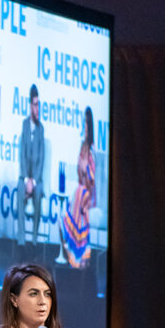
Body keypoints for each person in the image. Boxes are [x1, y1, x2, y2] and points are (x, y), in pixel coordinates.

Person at [61, 107, 96, 268]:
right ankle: (77, 256)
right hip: (82, 190)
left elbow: (91, 180)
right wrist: (80, 167)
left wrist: (85, 169)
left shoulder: (92, 150)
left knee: (80, 193)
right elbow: (79, 172)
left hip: (89, 192)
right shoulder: (82, 147)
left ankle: (77, 253)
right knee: (77, 192)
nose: (85, 128)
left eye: (87, 125)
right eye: (84, 124)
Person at [18, 84, 45, 245]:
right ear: (30, 106)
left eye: (38, 105)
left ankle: (34, 241)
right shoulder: (24, 125)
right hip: (25, 176)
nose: (37, 109)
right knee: (20, 189)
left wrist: (33, 182)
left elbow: (42, 159)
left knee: (39, 193)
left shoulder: (41, 129)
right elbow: (22, 154)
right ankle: (21, 242)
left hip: (36, 179)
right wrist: (27, 179)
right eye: (35, 105)